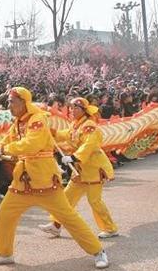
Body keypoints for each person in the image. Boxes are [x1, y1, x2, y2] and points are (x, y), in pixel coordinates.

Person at [0, 87, 109, 269]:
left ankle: (98, 251)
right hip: (23, 181)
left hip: (44, 180)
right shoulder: (18, 122)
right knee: (5, 213)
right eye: (8, 102)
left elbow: (32, 144)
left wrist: (4, 150)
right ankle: (4, 253)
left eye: (12, 101)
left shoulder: (37, 120)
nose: (8, 105)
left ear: (23, 102)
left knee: (68, 217)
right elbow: (6, 141)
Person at [38, 97, 118, 238]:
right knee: (66, 197)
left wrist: (74, 157)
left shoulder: (89, 125)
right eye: (71, 108)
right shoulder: (76, 124)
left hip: (93, 168)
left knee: (94, 201)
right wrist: (53, 132)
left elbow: (90, 144)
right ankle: (56, 224)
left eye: (76, 108)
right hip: (80, 170)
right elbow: (66, 136)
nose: (72, 110)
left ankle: (110, 228)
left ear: (84, 110)